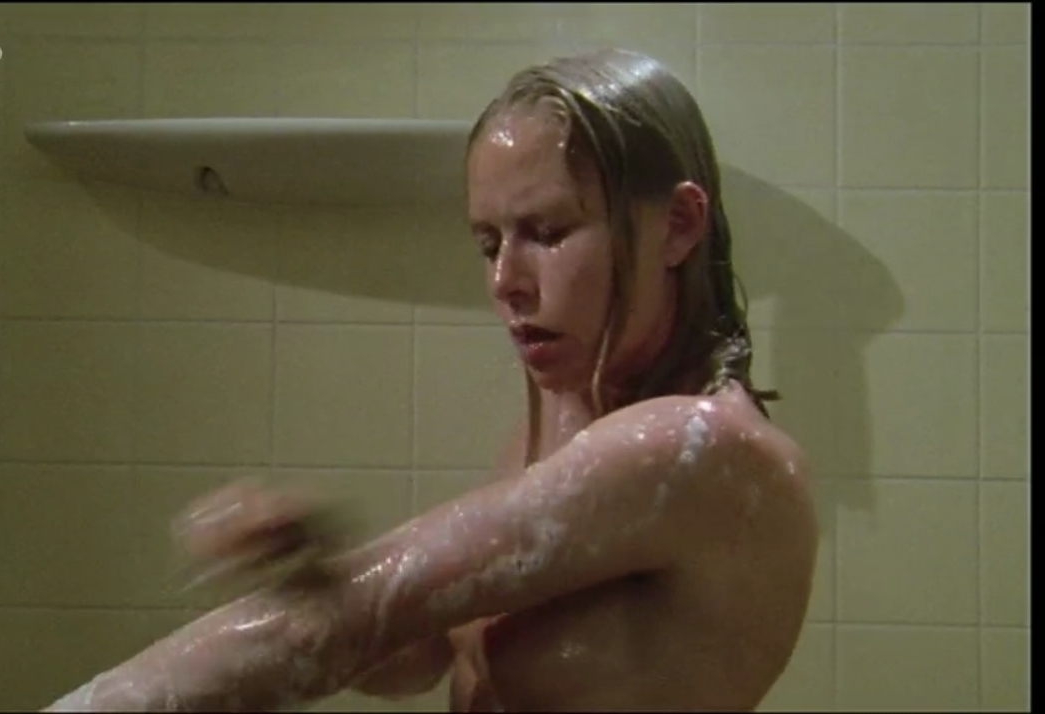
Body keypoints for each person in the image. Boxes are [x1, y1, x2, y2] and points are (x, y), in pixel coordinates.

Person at [45, 48, 818, 713]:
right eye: (488, 243)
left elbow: (355, 621)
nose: (505, 280)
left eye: (547, 232)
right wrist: (314, 575)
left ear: (678, 226)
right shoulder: (566, 413)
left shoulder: (699, 450)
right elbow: (425, 654)